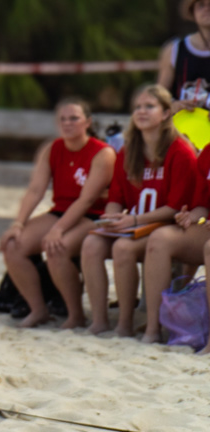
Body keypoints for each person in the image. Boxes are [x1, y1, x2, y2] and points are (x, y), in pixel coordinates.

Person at [79, 84, 197, 337]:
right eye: (137, 107)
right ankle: (100, 321)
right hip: (134, 224)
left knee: (122, 248)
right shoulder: (128, 150)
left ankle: (127, 323)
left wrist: (133, 219)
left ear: (166, 113)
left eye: (150, 106)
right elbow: (116, 197)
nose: (141, 112)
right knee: (91, 244)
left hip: (164, 226)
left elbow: (175, 208)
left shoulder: (180, 152)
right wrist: (112, 217)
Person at [0, 98, 113, 329]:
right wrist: (18, 223)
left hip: (94, 214)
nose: (67, 123)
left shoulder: (103, 153)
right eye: (62, 119)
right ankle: (38, 309)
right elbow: (35, 190)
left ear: (87, 122)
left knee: (56, 247)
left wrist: (57, 230)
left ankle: (75, 314)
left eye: (74, 118)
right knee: (12, 245)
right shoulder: (52, 148)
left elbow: (87, 199)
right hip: (60, 210)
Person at [136, 140, 210, 344]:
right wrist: (191, 217)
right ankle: (153, 328)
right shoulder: (207, 153)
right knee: (160, 238)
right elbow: (202, 206)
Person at [155, 0, 210, 152]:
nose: (207, 9)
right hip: (181, 133)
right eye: (201, 5)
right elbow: (157, 97)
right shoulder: (174, 49)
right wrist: (173, 105)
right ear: (192, 13)